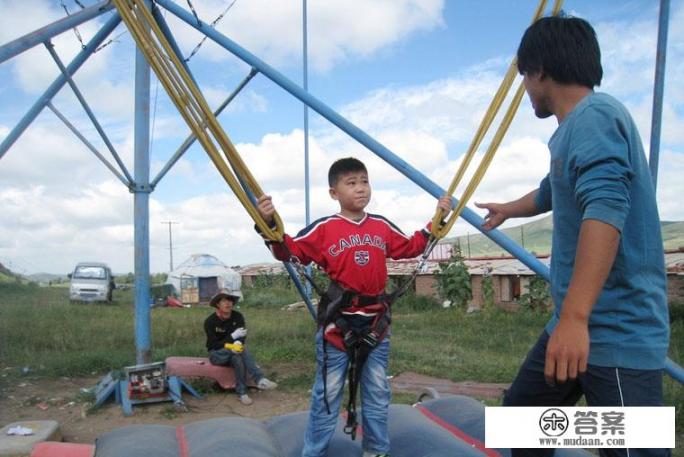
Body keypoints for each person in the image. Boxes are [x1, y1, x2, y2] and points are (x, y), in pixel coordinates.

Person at [476, 16, 670, 457]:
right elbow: (551, 190)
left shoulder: (595, 118)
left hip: (615, 331)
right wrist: (510, 208)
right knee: (522, 424)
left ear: (539, 69)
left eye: (524, 75)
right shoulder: (572, 131)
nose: (525, 87)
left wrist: (575, 319)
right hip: (577, 326)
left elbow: (604, 210)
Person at [256, 157, 452, 457]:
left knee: (376, 393)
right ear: (334, 193)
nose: (360, 189)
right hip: (338, 327)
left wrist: (436, 221)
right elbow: (289, 250)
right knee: (328, 395)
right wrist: (269, 223)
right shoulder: (325, 229)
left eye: (364, 181)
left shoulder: (380, 226)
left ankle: (375, 450)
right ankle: (314, 452)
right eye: (351, 183)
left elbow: (410, 246)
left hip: (376, 325)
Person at [204, 288, 278, 406]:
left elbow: (242, 336)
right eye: (224, 300)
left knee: (237, 358)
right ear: (218, 304)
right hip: (217, 354)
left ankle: (242, 393)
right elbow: (213, 344)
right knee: (239, 352)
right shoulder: (210, 321)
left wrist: (238, 343)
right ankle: (259, 379)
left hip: (234, 352)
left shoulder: (237, 317)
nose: (228, 303)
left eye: (230, 300)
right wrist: (231, 339)